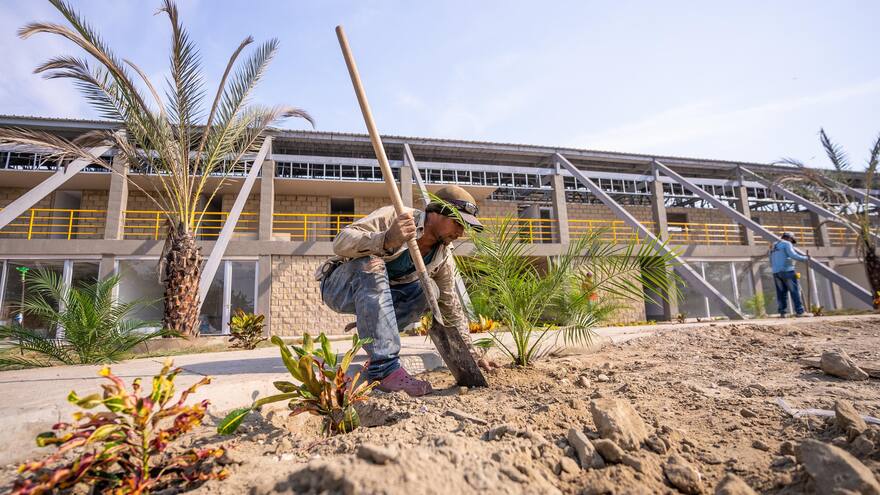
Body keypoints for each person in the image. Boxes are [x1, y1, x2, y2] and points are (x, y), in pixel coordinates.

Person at [315, 185, 486, 396]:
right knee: (372, 263)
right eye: (458, 223)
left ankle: (374, 333)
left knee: (430, 290)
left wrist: (470, 354)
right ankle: (384, 369)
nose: (461, 233)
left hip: (383, 295)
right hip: (339, 286)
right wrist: (386, 239)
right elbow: (340, 241)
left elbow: (450, 305)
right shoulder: (396, 216)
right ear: (436, 213)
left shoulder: (442, 255)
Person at [769, 232, 808, 317]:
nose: (792, 242)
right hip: (787, 271)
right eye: (792, 240)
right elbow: (793, 255)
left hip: (776, 272)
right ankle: (800, 312)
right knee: (794, 291)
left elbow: (770, 259)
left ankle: (783, 312)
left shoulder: (774, 245)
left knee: (781, 293)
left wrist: (776, 268)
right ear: (789, 238)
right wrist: (805, 258)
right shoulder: (787, 243)